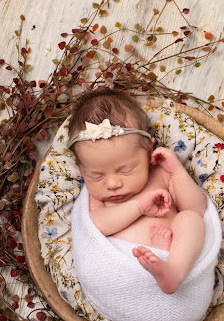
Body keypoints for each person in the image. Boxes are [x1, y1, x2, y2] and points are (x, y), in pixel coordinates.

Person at [68, 89, 207, 294]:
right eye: (96, 175)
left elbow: (197, 208)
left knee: (190, 220)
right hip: (121, 271)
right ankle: (166, 271)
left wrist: (177, 172)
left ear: (149, 151)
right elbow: (97, 225)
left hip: (176, 259)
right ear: (81, 169)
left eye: (126, 170)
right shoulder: (94, 196)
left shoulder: (162, 174)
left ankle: (175, 272)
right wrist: (139, 207)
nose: (113, 183)